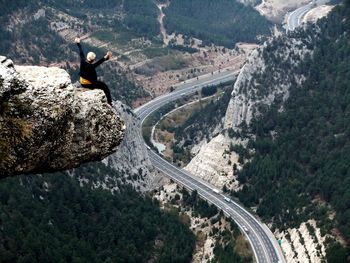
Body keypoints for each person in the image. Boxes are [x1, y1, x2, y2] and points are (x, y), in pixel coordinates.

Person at [74, 37, 113, 105]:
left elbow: (81, 53)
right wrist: (105, 57)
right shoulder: (91, 66)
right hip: (89, 84)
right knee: (105, 87)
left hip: (82, 82)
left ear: (87, 57)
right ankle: (109, 102)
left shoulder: (83, 61)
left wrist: (78, 43)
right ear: (93, 60)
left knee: (99, 83)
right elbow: (99, 62)